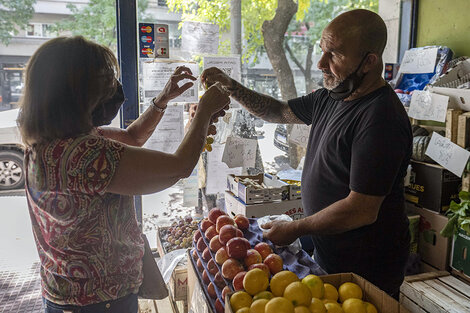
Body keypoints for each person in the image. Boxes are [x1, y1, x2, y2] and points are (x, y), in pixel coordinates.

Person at [202, 9, 412, 298]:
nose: (321, 63)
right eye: (322, 50)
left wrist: (296, 228)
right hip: (331, 253)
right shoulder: (332, 95)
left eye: (334, 55)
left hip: (368, 266)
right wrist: (231, 87)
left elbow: (361, 209)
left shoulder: (380, 118)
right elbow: (277, 111)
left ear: (369, 62)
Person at [17, 36, 229, 313]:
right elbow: (178, 167)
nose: (114, 90)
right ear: (77, 94)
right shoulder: (84, 155)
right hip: (97, 303)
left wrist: (162, 100)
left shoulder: (53, 143)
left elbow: (132, 136)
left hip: (69, 295)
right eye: (104, 82)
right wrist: (204, 112)